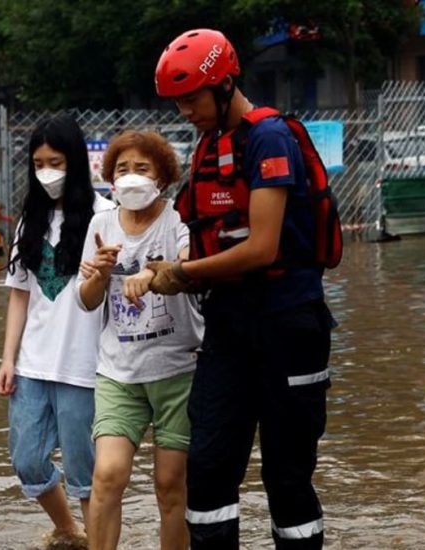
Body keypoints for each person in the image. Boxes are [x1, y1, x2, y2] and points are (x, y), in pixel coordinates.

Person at [148, 29, 337, 549]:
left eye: (191, 97)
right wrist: (173, 266)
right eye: (177, 101)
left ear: (226, 84)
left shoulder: (270, 138)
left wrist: (185, 274)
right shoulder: (210, 145)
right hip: (229, 325)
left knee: (287, 474)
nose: (184, 110)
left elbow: (262, 248)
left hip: (288, 324)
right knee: (207, 465)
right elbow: (201, 235)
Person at [77, 130, 204, 550]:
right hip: (119, 372)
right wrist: (97, 273)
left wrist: (152, 273)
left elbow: (189, 268)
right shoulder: (101, 223)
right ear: (109, 179)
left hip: (178, 370)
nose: (131, 177)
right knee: (107, 475)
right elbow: (87, 301)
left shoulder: (177, 220)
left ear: (162, 177)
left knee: (170, 485)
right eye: (122, 169)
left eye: (142, 168)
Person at [0, 113, 114, 548]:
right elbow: (20, 295)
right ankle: (68, 531)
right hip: (32, 365)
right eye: (39, 162)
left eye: (57, 162)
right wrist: (8, 359)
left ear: (77, 162)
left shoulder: (106, 217)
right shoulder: (32, 219)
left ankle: (99, 542)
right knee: (27, 461)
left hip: (86, 368)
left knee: (87, 475)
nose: (47, 172)